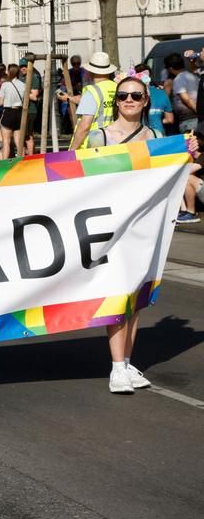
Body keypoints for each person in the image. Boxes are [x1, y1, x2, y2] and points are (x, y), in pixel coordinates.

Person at [82, 76, 191, 394]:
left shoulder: (156, 136)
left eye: (136, 95)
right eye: (123, 95)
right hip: (110, 226)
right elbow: (86, 181)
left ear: (146, 101)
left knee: (136, 297)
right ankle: (117, 368)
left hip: (143, 226)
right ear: (116, 101)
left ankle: (127, 362)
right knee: (118, 294)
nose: (129, 100)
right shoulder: (100, 135)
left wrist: (187, 150)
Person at [67, 52, 118, 150]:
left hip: (93, 145)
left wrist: (72, 150)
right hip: (114, 142)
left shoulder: (92, 91)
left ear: (91, 72)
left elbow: (85, 126)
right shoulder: (117, 87)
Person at [166, 52, 199, 136]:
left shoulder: (179, 79)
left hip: (190, 121)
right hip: (194, 119)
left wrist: (199, 112)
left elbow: (186, 99)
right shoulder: (193, 76)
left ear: (170, 68)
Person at [0, 64, 26, 157]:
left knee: (6, 141)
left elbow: (1, 103)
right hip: (19, 112)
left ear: (10, 72)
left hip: (8, 112)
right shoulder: (23, 85)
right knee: (19, 141)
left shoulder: (5, 85)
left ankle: (5, 164)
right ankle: (22, 162)